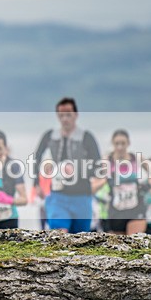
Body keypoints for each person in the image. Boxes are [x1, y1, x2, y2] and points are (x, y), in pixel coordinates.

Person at [32, 98, 101, 233]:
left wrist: (77, 170)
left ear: (76, 115)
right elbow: (36, 158)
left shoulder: (86, 137)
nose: (65, 119)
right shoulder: (50, 136)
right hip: (57, 195)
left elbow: (97, 165)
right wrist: (37, 183)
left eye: (68, 114)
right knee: (59, 234)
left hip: (82, 195)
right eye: (61, 115)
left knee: (81, 237)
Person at [93, 129, 151, 235]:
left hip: (136, 207)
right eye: (117, 144)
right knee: (120, 246)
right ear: (112, 144)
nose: (120, 147)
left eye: (123, 143)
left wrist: (147, 185)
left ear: (128, 143)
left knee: (134, 242)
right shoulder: (107, 160)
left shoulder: (136, 158)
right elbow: (99, 181)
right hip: (115, 210)